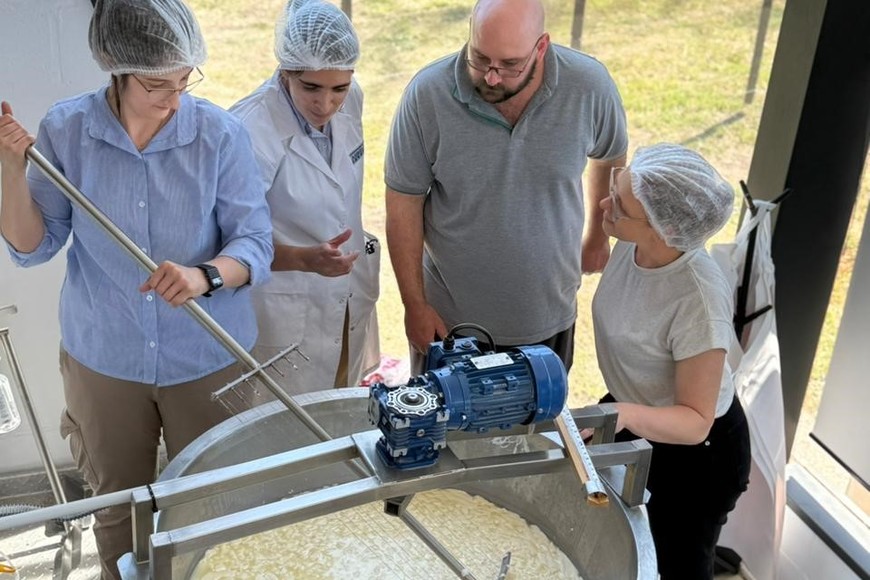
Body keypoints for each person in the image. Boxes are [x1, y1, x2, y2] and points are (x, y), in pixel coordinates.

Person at [0, 0, 273, 577]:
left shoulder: (219, 135)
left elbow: (254, 243)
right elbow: (33, 248)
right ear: (116, 70)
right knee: (119, 505)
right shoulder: (66, 130)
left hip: (205, 356)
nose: (175, 100)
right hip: (106, 359)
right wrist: (7, 168)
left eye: (183, 81)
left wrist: (206, 276)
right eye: (157, 85)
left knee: (208, 503)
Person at [385, 0, 627, 372]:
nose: (492, 77)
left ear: (541, 47)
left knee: (537, 430)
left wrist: (598, 237)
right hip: (450, 323)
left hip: (548, 316)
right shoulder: (427, 94)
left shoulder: (589, 85)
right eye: (480, 58)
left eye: (510, 65)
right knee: (446, 431)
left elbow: (610, 155)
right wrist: (414, 306)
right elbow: (403, 203)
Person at [591, 143, 751, 579]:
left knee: (676, 564)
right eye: (615, 188)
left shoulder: (697, 300)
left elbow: (697, 419)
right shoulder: (633, 244)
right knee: (624, 541)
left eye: (618, 204)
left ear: (663, 229)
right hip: (637, 414)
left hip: (697, 456)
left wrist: (620, 412)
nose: (605, 203)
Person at [231, 0, 379, 392]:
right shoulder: (248, 129)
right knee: (285, 430)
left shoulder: (354, 100)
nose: (326, 104)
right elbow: (229, 241)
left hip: (348, 293)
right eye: (310, 87)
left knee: (345, 404)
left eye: (339, 88)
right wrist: (302, 258)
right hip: (285, 307)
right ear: (285, 72)